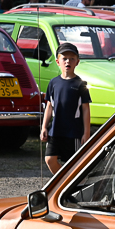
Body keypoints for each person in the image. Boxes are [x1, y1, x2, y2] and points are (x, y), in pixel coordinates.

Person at [40, 42, 91, 174]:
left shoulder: (81, 84)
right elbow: (49, 106)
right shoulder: (53, 82)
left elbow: (85, 109)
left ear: (77, 62)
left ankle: (70, 187)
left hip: (73, 132)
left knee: (73, 164)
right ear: (58, 61)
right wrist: (44, 127)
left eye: (72, 58)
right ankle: (64, 184)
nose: (68, 61)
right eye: (64, 58)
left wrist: (86, 133)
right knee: (49, 159)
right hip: (55, 130)